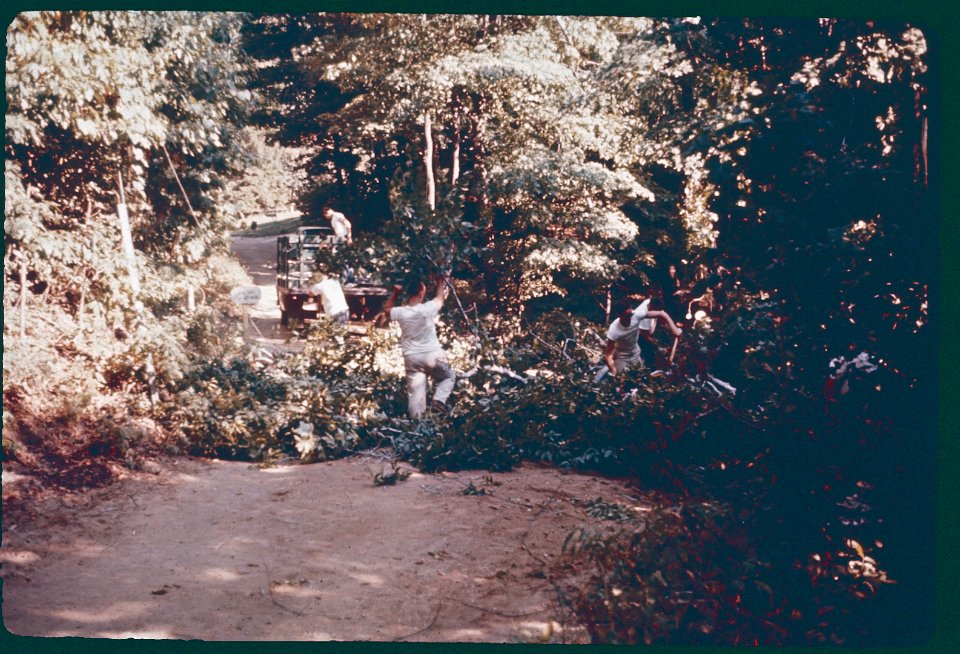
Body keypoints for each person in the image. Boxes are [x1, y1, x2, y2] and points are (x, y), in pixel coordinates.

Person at [379, 277, 456, 418]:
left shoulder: (400, 312)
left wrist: (395, 293)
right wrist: (440, 282)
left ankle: (417, 424)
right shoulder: (427, 308)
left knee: (415, 395)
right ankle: (438, 401)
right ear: (421, 294)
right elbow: (440, 298)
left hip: (412, 359)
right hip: (434, 357)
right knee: (449, 375)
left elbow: (386, 309)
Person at [595, 296, 682, 382]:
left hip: (635, 354)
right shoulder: (614, 330)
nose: (629, 318)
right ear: (620, 315)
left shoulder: (636, 315)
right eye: (626, 315)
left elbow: (661, 313)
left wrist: (674, 329)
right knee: (623, 383)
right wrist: (613, 370)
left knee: (641, 379)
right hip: (622, 358)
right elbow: (608, 355)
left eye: (630, 314)